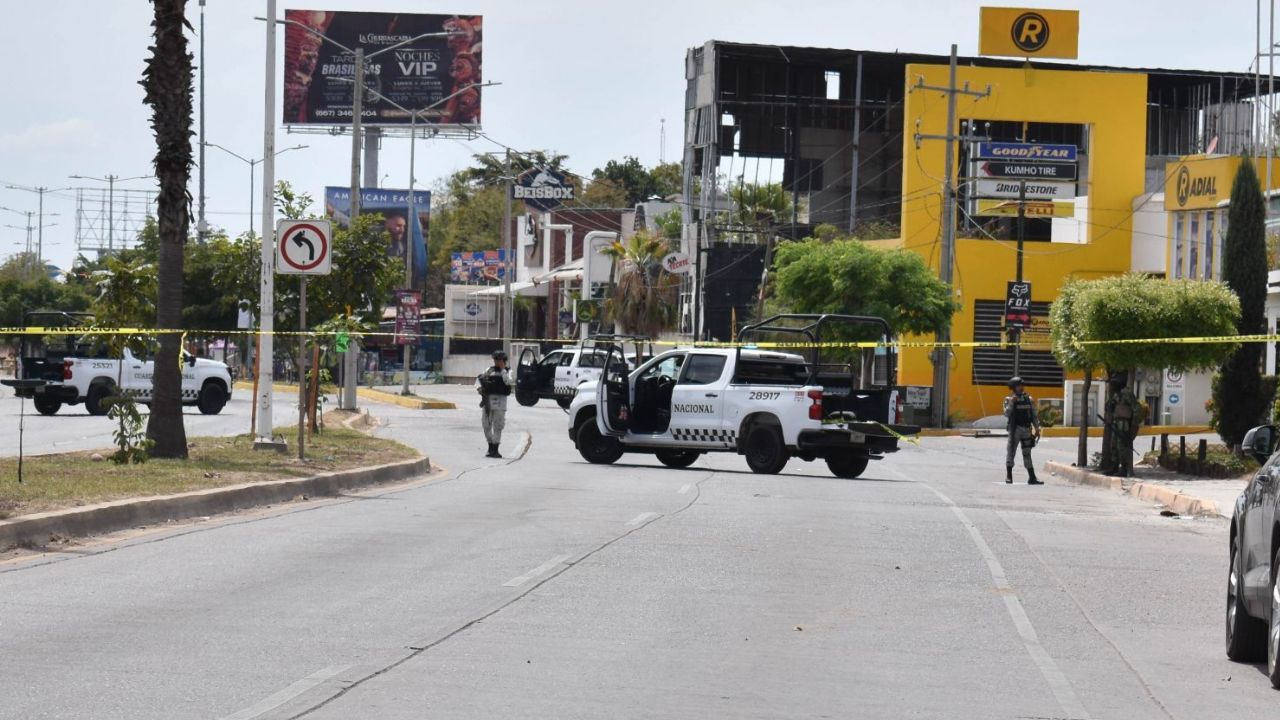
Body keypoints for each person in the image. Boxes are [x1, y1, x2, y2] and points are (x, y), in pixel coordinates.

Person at [1003, 376, 1042, 485]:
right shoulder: (1008, 399)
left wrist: (1037, 428)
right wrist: (1011, 403)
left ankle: (1032, 477)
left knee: (1027, 453)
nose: (1021, 387)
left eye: (1022, 385)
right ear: (1014, 387)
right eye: (1019, 386)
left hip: (1026, 429)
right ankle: (1009, 476)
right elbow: (1006, 414)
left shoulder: (1028, 399)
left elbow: (1034, 415)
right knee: (1011, 452)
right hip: (1015, 429)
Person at [475, 350, 512, 458]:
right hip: (488, 401)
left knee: (498, 426)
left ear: (503, 361)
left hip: (501, 402)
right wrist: (479, 388)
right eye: (495, 360)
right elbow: (479, 380)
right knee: (486, 425)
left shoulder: (509, 371)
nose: (496, 362)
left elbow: (508, 382)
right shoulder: (489, 370)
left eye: (499, 360)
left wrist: (503, 370)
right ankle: (490, 445)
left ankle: (495, 448)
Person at [1106, 371, 1140, 477]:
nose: (1113, 385)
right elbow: (1112, 407)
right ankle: (1114, 467)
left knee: (1122, 447)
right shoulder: (1117, 394)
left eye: (1115, 382)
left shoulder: (1127, 393)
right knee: (1114, 446)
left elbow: (1137, 408)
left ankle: (1124, 469)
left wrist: (1133, 425)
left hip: (1124, 425)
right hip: (1116, 423)